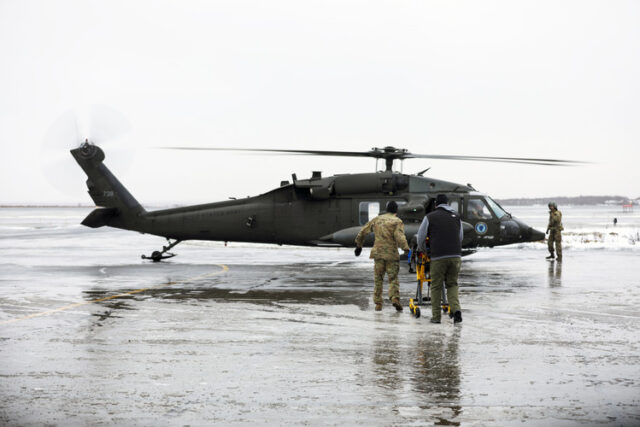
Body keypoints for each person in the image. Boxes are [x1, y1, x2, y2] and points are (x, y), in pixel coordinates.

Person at [355, 201, 410, 312]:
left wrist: (359, 245)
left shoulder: (377, 219)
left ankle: (378, 304)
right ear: (396, 210)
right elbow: (399, 236)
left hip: (378, 254)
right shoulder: (397, 221)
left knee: (378, 279)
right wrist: (406, 249)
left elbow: (363, 231)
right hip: (391, 255)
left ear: (386, 209)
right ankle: (395, 299)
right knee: (393, 279)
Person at [417, 194, 463, 324]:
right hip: (455, 256)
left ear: (436, 204)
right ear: (448, 204)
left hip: (438, 257)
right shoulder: (457, 217)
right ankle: (456, 310)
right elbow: (460, 237)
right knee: (452, 284)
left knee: (436, 286)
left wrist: (426, 251)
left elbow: (420, 238)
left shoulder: (429, 217)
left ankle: (436, 317)